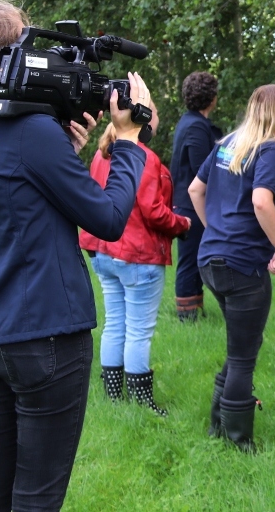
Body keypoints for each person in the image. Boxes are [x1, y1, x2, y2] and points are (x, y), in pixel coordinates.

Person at [0, 0, 151, 512]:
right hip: (45, 337)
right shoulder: (31, 133)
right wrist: (129, 141)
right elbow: (107, 219)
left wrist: (65, 157)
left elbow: (7, 201)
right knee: (35, 499)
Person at [188, 84, 275, 453]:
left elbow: (194, 190)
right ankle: (238, 441)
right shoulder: (269, 149)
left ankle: (217, 426)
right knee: (243, 355)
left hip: (210, 259)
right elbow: (261, 201)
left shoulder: (229, 144)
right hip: (243, 264)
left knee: (240, 346)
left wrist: (215, 230)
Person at [80, 107, 190, 416]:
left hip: (105, 251)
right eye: (154, 113)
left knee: (115, 322)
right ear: (142, 120)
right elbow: (153, 211)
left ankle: (114, 397)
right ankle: (141, 402)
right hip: (137, 254)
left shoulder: (102, 154)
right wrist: (182, 223)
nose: (157, 119)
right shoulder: (144, 157)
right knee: (138, 330)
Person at [169, 70, 221, 322]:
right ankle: (186, 315)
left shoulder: (190, 122)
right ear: (212, 98)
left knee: (196, 257)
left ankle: (195, 310)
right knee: (191, 259)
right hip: (191, 204)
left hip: (189, 201)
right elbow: (203, 169)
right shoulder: (196, 126)